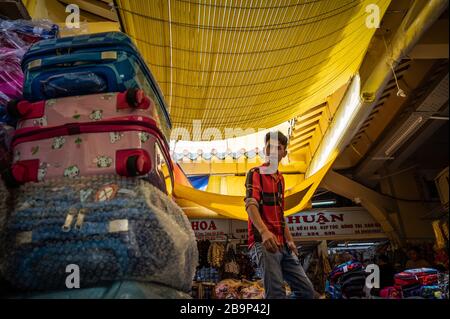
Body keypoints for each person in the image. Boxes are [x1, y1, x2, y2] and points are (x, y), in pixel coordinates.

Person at [245, 131, 315, 299]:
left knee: (307, 291)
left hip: (282, 244)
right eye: (270, 147)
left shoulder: (281, 179)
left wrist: (289, 240)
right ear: (265, 150)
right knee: (276, 293)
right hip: (264, 243)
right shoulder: (255, 173)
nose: (274, 151)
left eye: (279, 148)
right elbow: (250, 204)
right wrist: (263, 231)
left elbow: (280, 214)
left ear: (284, 153)